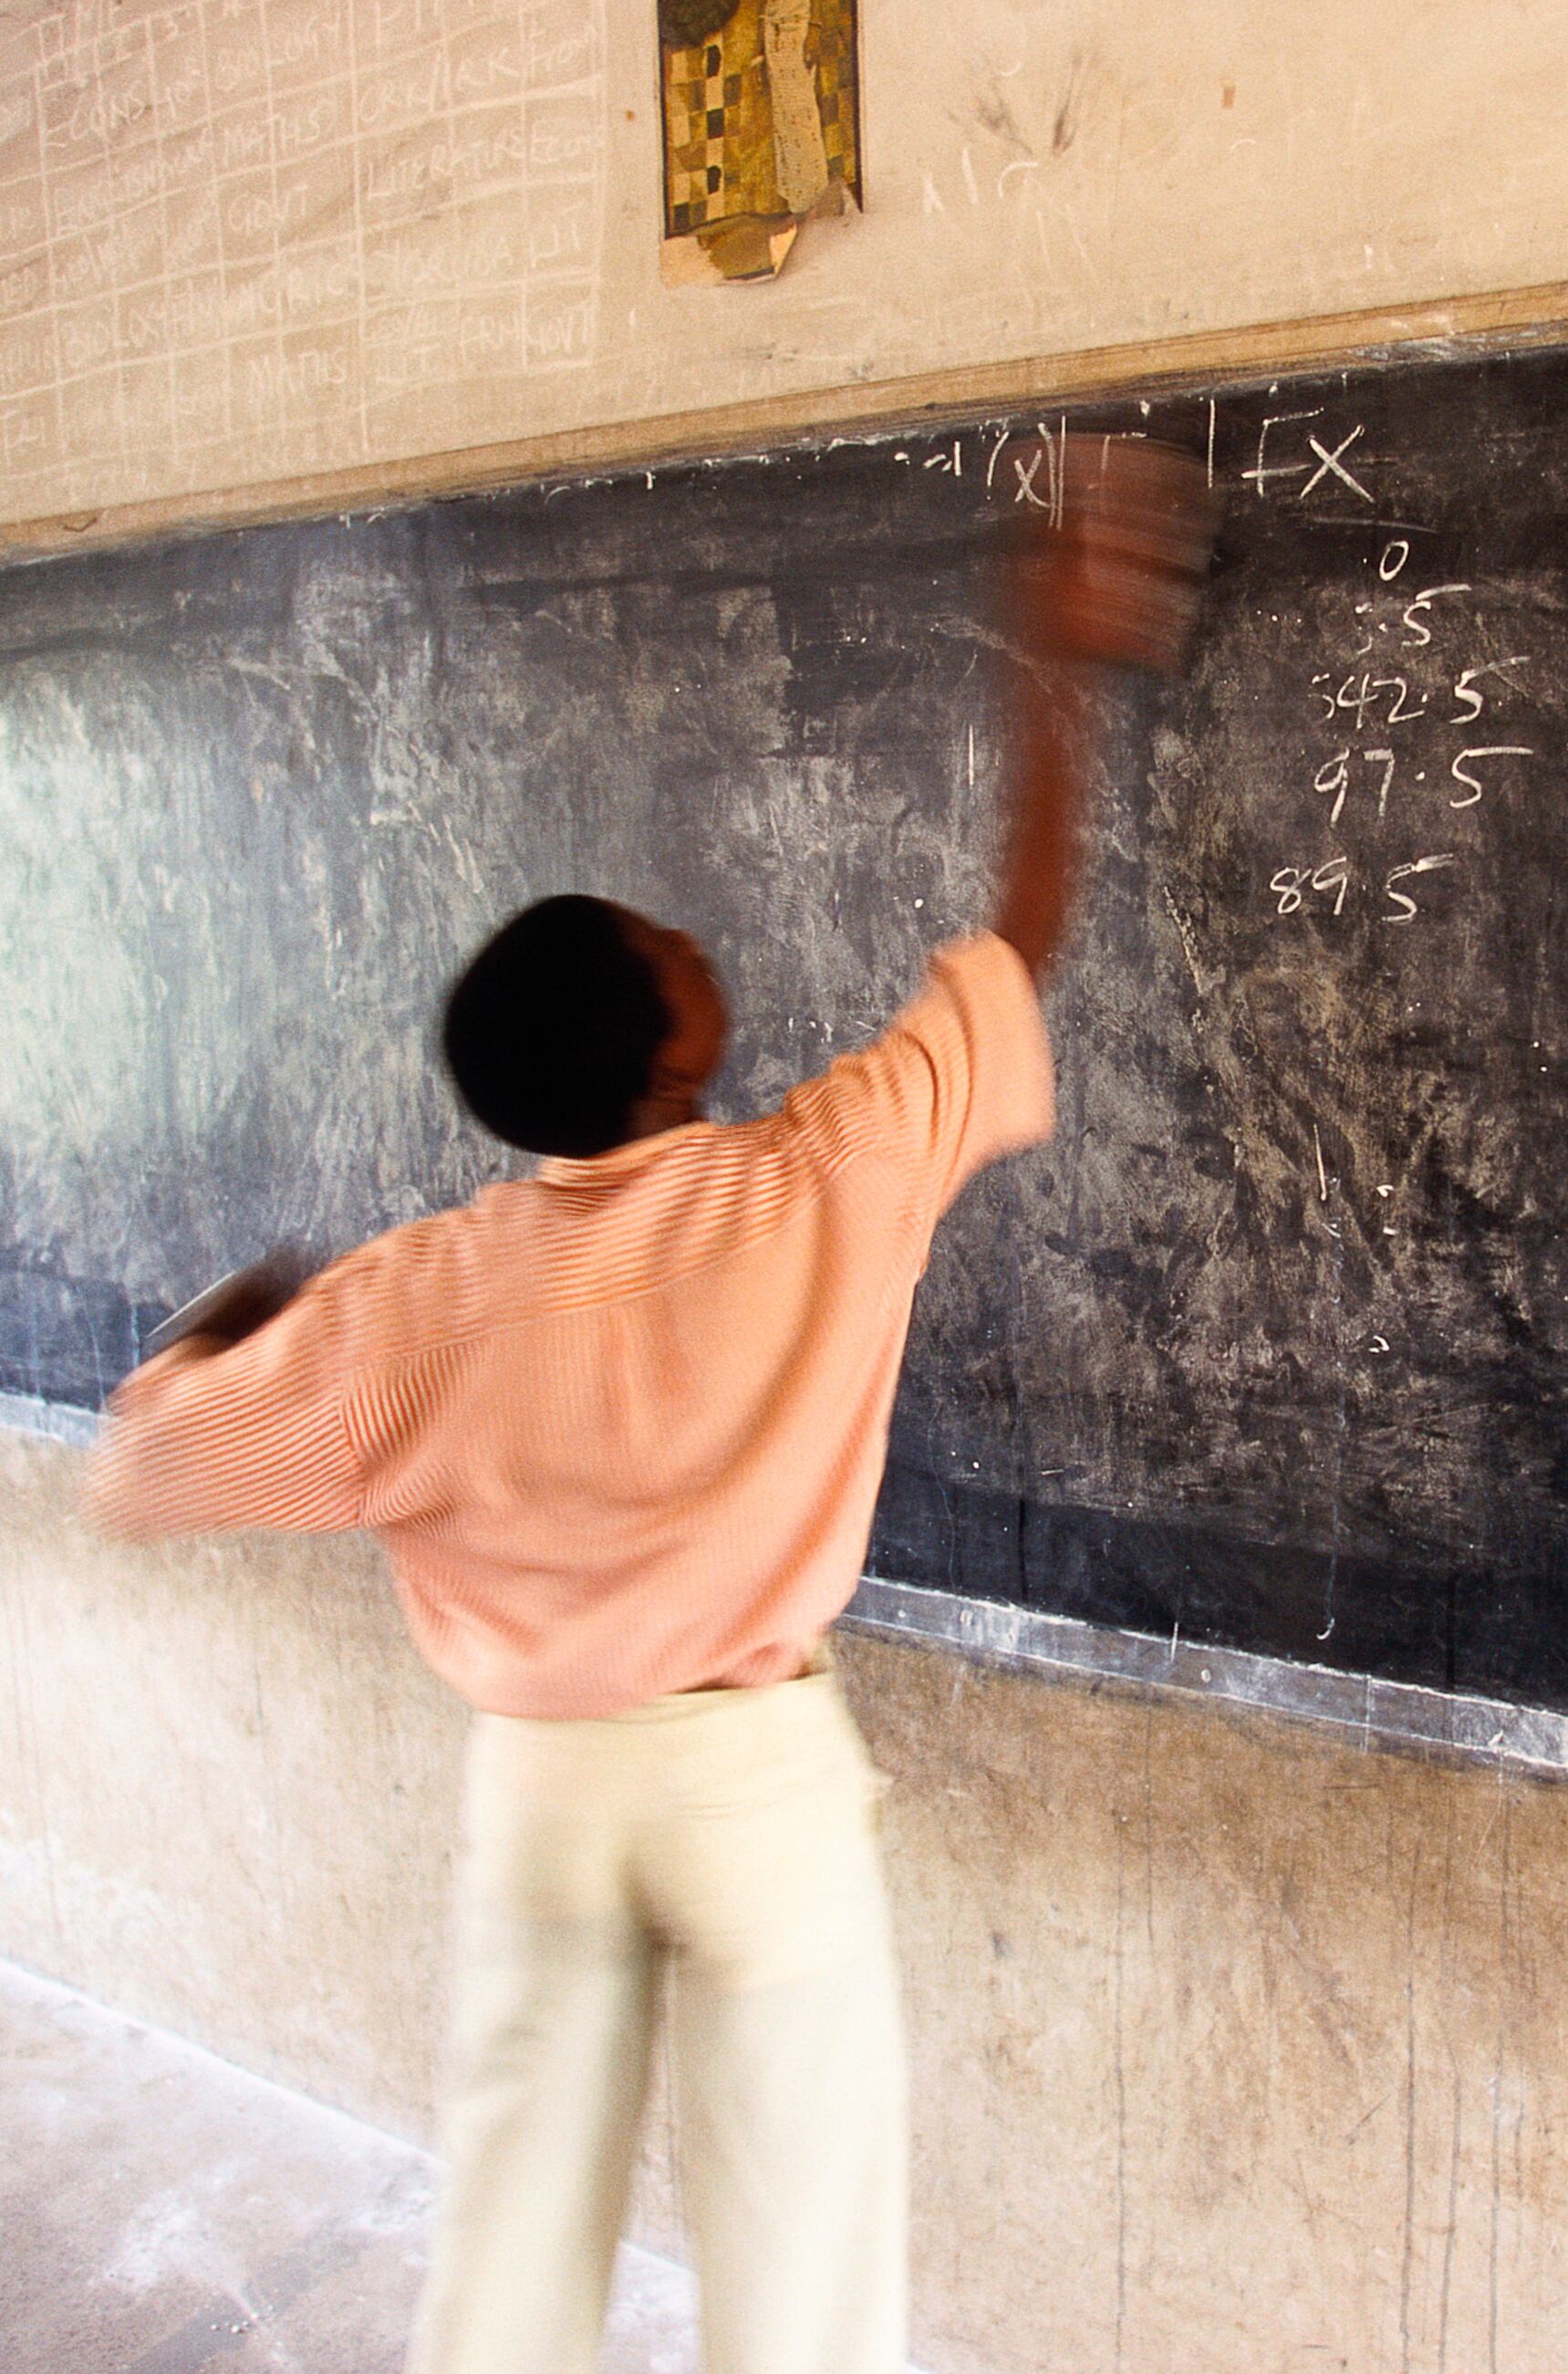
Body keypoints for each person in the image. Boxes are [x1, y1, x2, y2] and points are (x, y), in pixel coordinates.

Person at [82, 440, 1212, 2374]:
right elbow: (1013, 945)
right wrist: (1056, 669)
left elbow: (150, 1461)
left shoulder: (415, 1302)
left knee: (512, 2228)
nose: (701, 944)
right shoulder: (816, 1188)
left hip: (539, 1789)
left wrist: (232, 1321)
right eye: (668, 950)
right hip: (746, 1780)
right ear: (656, 1047)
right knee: (803, 2244)